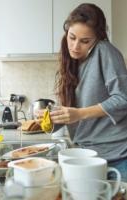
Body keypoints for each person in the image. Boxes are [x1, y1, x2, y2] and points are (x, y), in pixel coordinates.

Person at [49, 3, 127, 181]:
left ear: (97, 38)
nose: (75, 46)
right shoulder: (72, 62)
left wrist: (79, 114)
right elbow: (77, 113)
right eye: (72, 37)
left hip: (117, 156)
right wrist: (51, 118)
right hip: (87, 155)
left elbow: (123, 98)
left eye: (85, 41)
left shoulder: (105, 51)